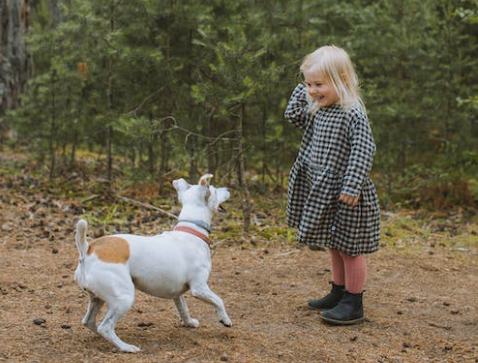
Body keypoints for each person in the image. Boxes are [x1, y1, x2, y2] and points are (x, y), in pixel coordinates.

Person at [284, 45, 380, 325]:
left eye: (319, 84)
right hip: (323, 190)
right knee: (333, 243)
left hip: (347, 193)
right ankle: (338, 292)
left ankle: (354, 301)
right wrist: (306, 91)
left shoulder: (353, 113)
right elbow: (292, 116)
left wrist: (352, 186)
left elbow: (364, 150)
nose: (312, 90)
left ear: (343, 81)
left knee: (350, 247)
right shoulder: (318, 108)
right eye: (308, 84)